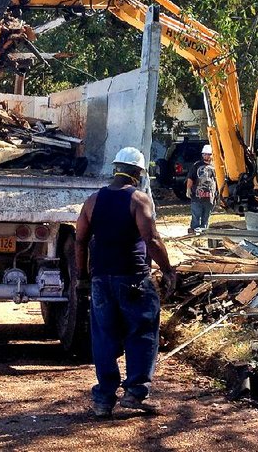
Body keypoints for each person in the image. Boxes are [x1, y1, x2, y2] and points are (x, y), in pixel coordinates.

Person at [74, 146, 177, 418]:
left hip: (101, 281)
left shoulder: (92, 201)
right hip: (133, 280)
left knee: (104, 338)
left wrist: (83, 277)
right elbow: (151, 239)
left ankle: (103, 400)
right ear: (137, 173)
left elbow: (80, 240)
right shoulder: (138, 199)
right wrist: (167, 270)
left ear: (115, 169)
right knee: (141, 334)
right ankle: (134, 394)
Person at [186, 144, 218, 233]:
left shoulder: (216, 166)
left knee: (206, 216)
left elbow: (219, 180)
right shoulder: (197, 165)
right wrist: (188, 189)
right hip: (197, 196)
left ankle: (204, 231)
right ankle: (194, 230)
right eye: (204, 154)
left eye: (208, 154)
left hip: (210, 197)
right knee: (196, 214)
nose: (206, 156)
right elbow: (190, 178)